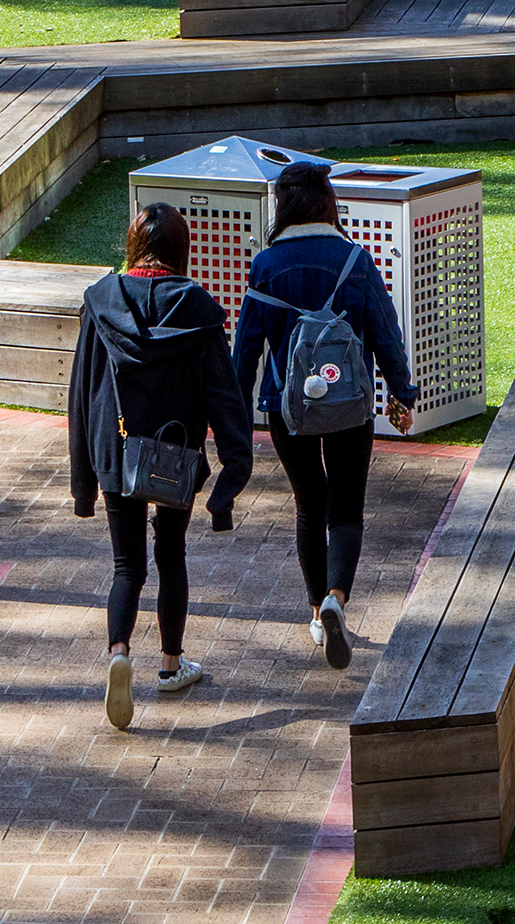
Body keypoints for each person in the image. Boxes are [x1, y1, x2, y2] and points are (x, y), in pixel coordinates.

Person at [68, 204, 255, 728]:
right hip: (176, 454)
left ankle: (120, 653)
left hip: (116, 449)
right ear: (181, 250)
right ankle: (171, 666)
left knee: (127, 565)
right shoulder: (199, 309)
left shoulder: (101, 302)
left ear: (132, 244)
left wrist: (83, 484)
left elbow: (81, 393)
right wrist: (226, 488)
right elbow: (226, 398)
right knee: (170, 554)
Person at [233, 162, 417, 673]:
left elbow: (246, 346)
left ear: (283, 206)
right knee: (347, 510)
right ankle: (338, 596)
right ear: (327, 203)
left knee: (310, 508)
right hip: (350, 406)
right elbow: (386, 332)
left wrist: (232, 416)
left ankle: (317, 612)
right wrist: (403, 393)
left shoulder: (266, 265)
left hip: (285, 408)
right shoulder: (354, 260)